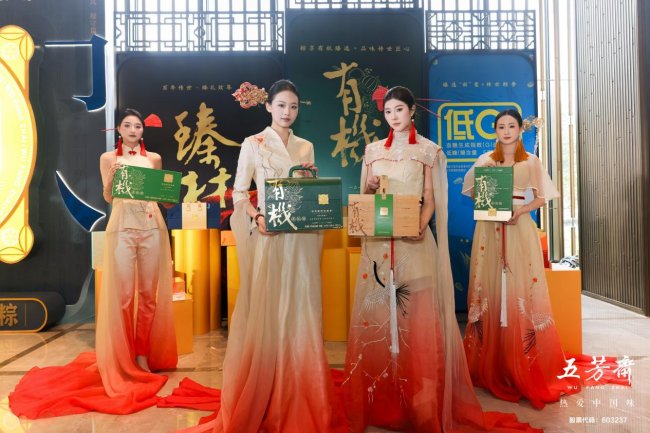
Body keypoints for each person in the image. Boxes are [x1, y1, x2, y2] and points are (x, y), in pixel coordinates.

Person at [343, 87, 540, 433]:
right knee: (378, 318)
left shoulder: (429, 150)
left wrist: (420, 226)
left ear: (412, 111)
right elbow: (366, 197)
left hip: (415, 242)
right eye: (388, 111)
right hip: (380, 242)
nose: (393, 117)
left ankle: (419, 396)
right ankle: (383, 394)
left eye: (399, 110)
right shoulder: (373, 150)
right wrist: (371, 186)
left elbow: (430, 199)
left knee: (416, 318)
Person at [166, 79, 343, 433]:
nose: (287, 112)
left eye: (293, 106)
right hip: (270, 236)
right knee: (269, 308)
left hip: (301, 239)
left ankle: (300, 385)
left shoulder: (306, 146)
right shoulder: (253, 143)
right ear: (268, 106)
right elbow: (239, 194)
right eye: (281, 105)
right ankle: (268, 386)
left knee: (301, 307)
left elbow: (307, 191)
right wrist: (258, 216)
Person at [9, 108, 177, 418]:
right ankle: (123, 358)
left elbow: (163, 198)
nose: (133, 130)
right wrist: (112, 178)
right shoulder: (107, 158)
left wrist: (169, 194)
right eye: (127, 125)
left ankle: (142, 356)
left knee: (149, 296)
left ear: (143, 131)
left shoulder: (153, 158)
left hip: (152, 227)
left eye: (138, 126)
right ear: (118, 129)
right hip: (122, 229)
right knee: (124, 297)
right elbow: (108, 197)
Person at [461, 108, 578, 409]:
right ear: (495, 130)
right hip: (489, 226)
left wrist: (521, 210)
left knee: (519, 287)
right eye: (501, 126)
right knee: (489, 287)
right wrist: (488, 203)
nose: (506, 131)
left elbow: (542, 197)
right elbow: (470, 190)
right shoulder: (485, 160)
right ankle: (492, 358)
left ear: (519, 130)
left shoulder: (531, 161)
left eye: (511, 126)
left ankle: (520, 355)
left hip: (519, 226)